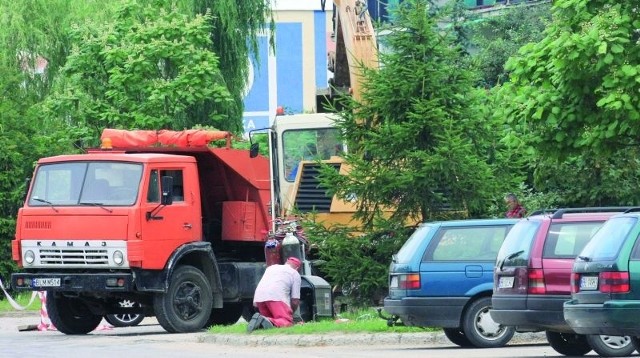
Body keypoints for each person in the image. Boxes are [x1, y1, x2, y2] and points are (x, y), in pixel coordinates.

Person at [248, 256, 302, 332]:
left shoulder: (271, 268)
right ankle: (264, 320)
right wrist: (291, 313)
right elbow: (295, 300)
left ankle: (261, 323)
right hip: (276, 297)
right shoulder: (295, 273)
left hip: (259, 298)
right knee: (286, 322)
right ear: (297, 268)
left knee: (269, 324)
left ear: (286, 263)